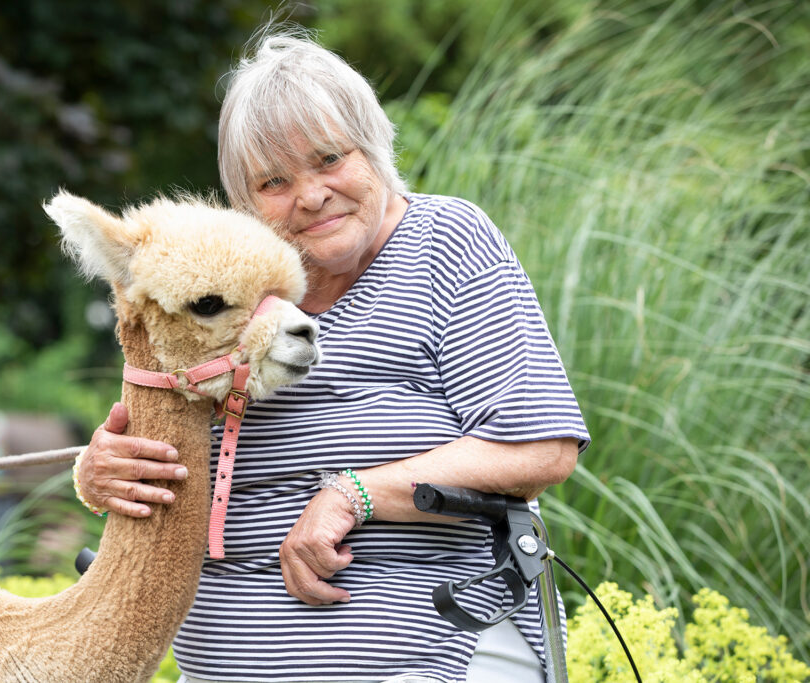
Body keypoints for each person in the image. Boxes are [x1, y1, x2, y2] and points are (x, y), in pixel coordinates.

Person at [74, 30, 589, 683]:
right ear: (244, 202)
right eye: (274, 181)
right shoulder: (222, 287)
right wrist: (100, 470)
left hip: (431, 651)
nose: (311, 194)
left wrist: (355, 494)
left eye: (328, 159)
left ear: (373, 148)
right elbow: (160, 433)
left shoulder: (446, 243)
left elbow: (540, 449)